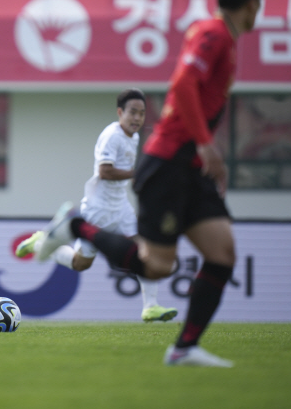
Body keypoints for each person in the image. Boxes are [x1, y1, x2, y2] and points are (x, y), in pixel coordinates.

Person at [36, 0, 266, 367]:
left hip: (189, 165)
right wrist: (206, 144)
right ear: (251, 2)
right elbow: (182, 84)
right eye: (260, 0)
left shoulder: (223, 38)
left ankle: (184, 348)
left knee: (223, 254)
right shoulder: (212, 33)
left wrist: (205, 152)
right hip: (168, 164)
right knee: (157, 266)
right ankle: (75, 224)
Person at [16, 89, 177, 323]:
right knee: (81, 264)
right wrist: (139, 173)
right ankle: (40, 242)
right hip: (98, 208)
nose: (137, 118)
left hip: (121, 207)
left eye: (142, 114)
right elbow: (105, 171)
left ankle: (150, 307)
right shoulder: (112, 135)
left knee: (145, 251)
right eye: (132, 112)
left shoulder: (132, 137)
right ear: (120, 112)